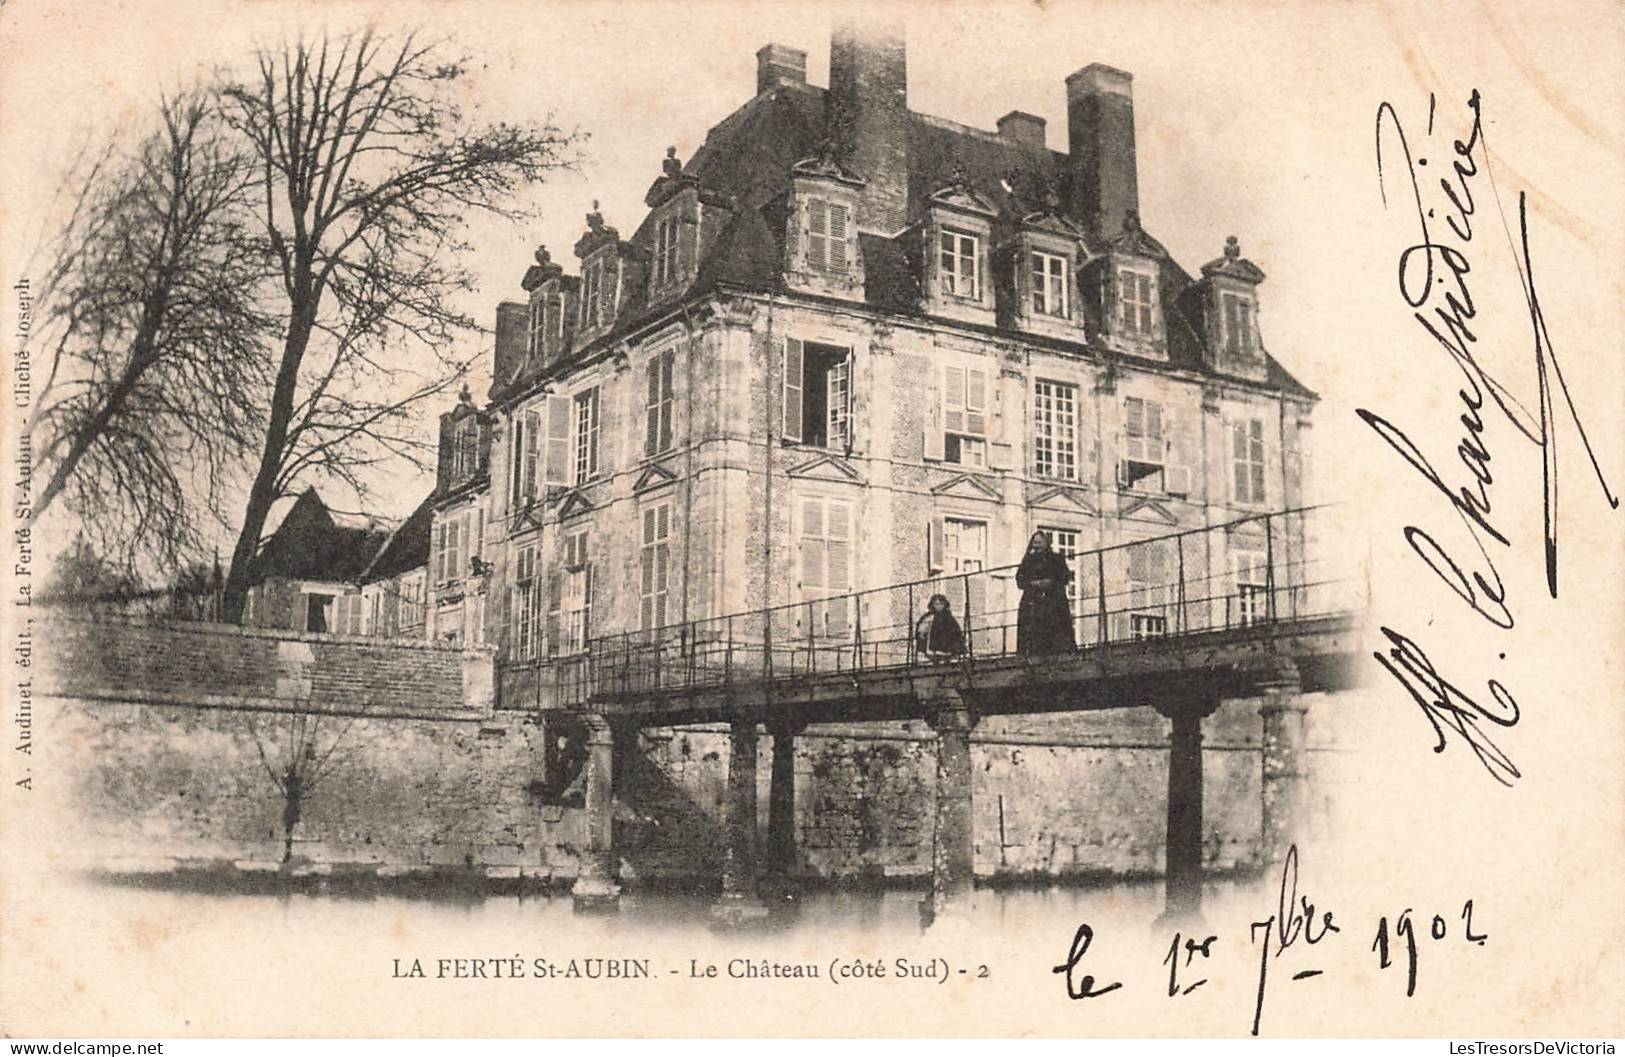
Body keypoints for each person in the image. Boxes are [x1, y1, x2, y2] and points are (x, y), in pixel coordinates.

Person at [1016, 531, 1075, 655]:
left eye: (1039, 543)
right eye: (1034, 542)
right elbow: (1020, 580)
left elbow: (1064, 577)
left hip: (1053, 601)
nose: (1036, 546)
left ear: (1046, 543)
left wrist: (1050, 583)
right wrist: (1034, 583)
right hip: (1033, 602)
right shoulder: (1028, 560)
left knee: (1056, 630)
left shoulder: (1057, 558)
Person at [914, 593, 965, 661]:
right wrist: (922, 633)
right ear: (932, 605)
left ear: (944, 605)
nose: (939, 606)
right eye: (936, 604)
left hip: (947, 645)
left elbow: (956, 630)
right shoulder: (929, 616)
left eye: (941, 604)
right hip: (933, 645)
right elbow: (921, 628)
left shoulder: (949, 618)